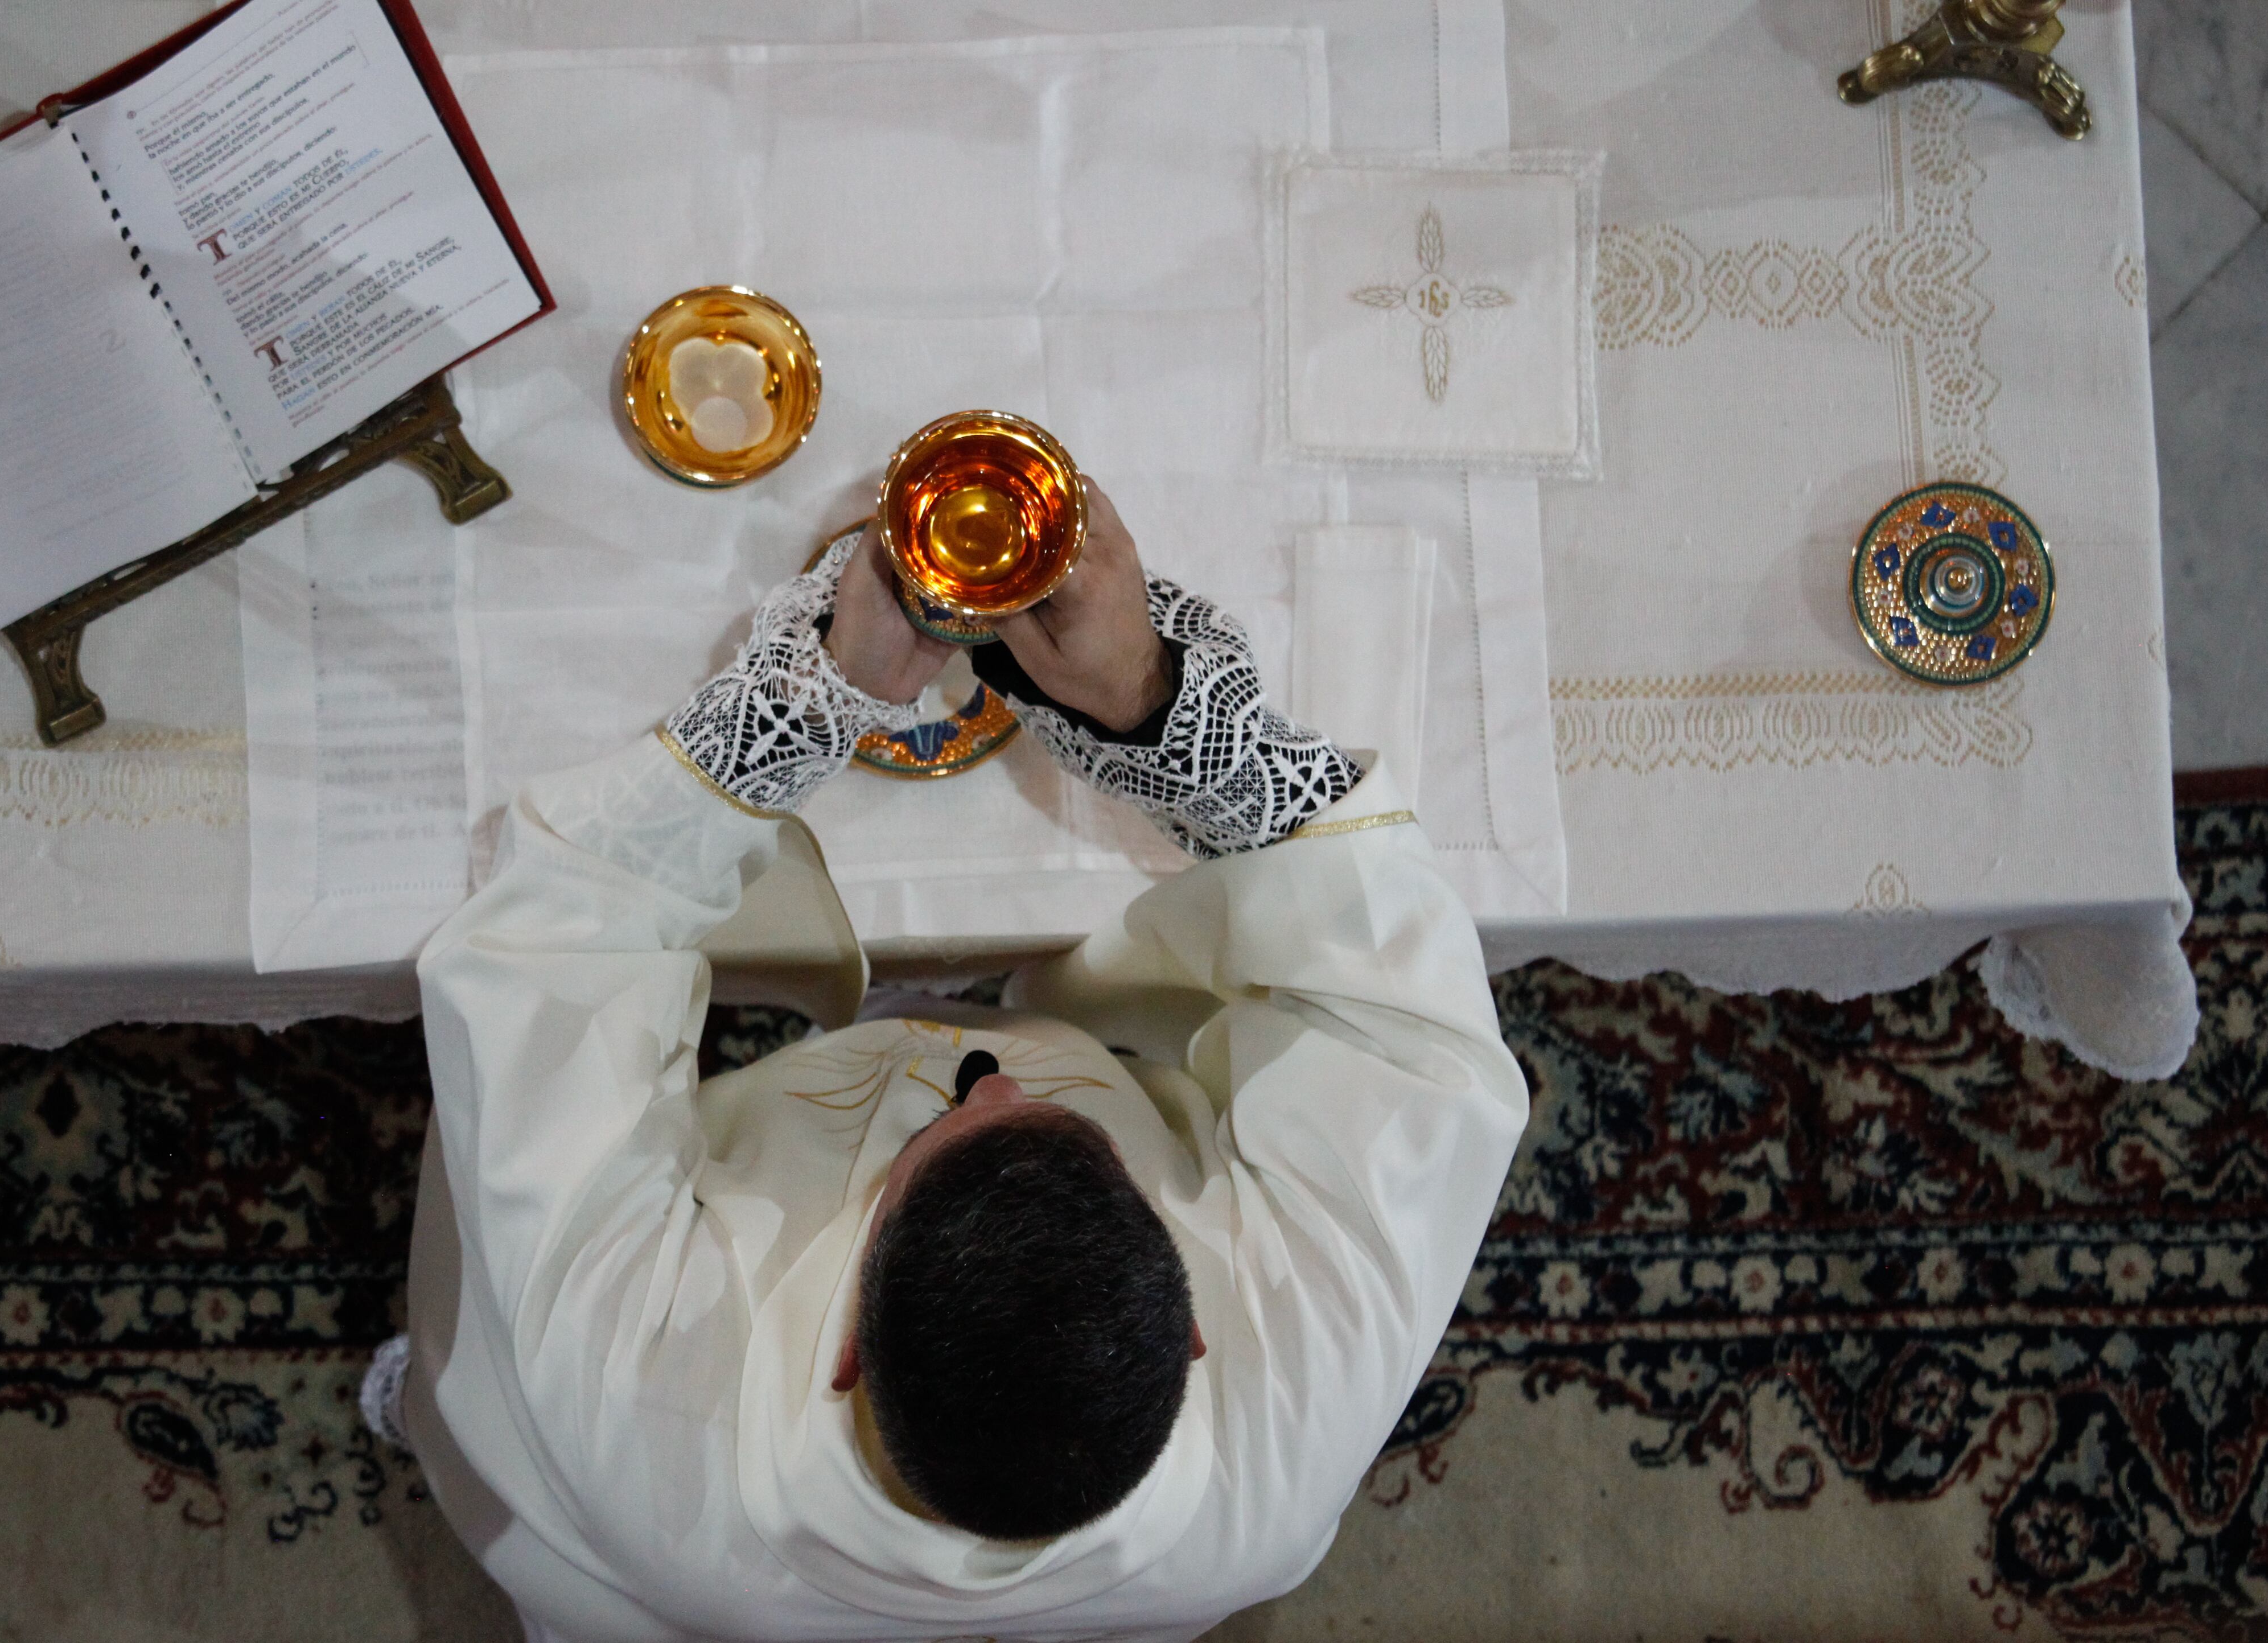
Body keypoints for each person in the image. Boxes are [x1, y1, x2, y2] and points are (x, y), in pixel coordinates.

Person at [367, 482, 1529, 1642]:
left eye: (934, 1138)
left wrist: (815, 700)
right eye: (1073, 1137)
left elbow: (546, 957)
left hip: (644, 1546)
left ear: (844, 1350)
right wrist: (1149, 705)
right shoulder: (1295, 1420)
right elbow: (1402, 1023)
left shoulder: (633, 1392)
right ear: (1189, 1334)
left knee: (491, 1367)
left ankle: (422, 1404)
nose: (995, 1073)